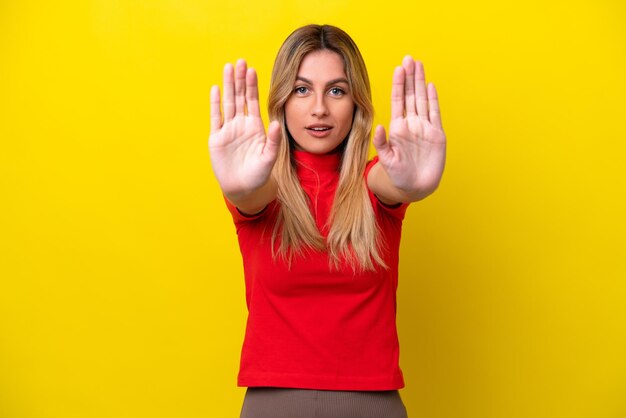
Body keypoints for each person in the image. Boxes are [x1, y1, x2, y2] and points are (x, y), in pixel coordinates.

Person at [209, 24, 446, 418]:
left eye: (336, 90)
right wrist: (238, 188)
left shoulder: (373, 181)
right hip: (274, 404)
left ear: (357, 104)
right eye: (302, 90)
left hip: (373, 404)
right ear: (282, 100)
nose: (319, 107)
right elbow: (251, 196)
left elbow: (390, 184)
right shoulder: (261, 186)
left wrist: (412, 184)